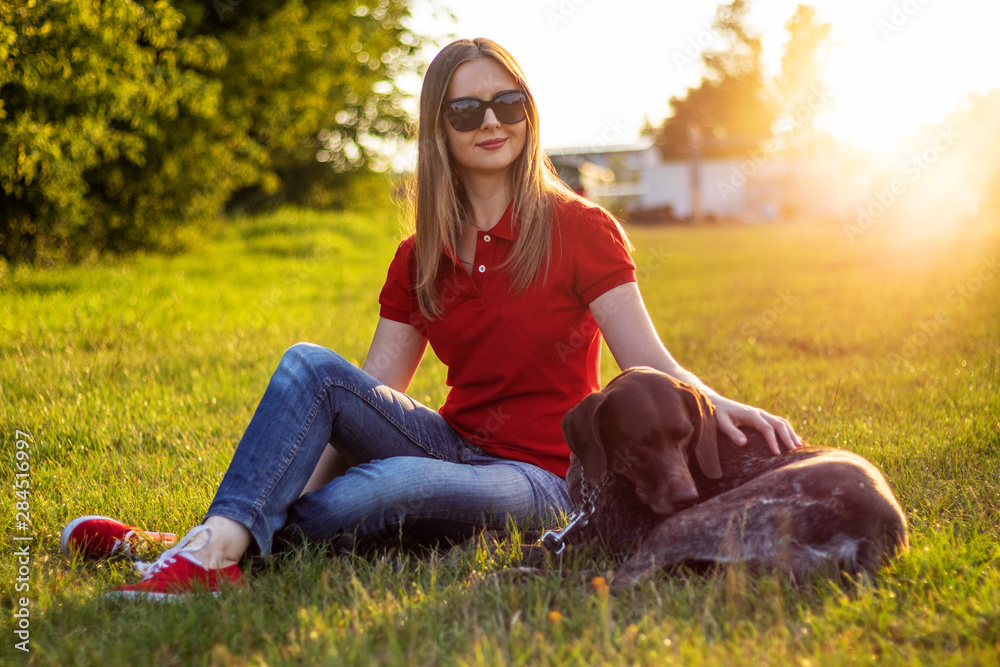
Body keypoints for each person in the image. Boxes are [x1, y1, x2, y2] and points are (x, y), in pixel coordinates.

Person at [61, 38, 801, 599]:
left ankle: (190, 545)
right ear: (437, 128)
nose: (491, 121)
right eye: (466, 109)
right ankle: (214, 545)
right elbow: (361, 396)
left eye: (508, 103)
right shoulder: (420, 255)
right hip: (453, 441)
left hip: (543, 475)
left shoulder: (581, 228)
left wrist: (723, 404)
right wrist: (294, 482)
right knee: (310, 366)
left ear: (528, 115)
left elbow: (651, 363)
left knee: (383, 489)